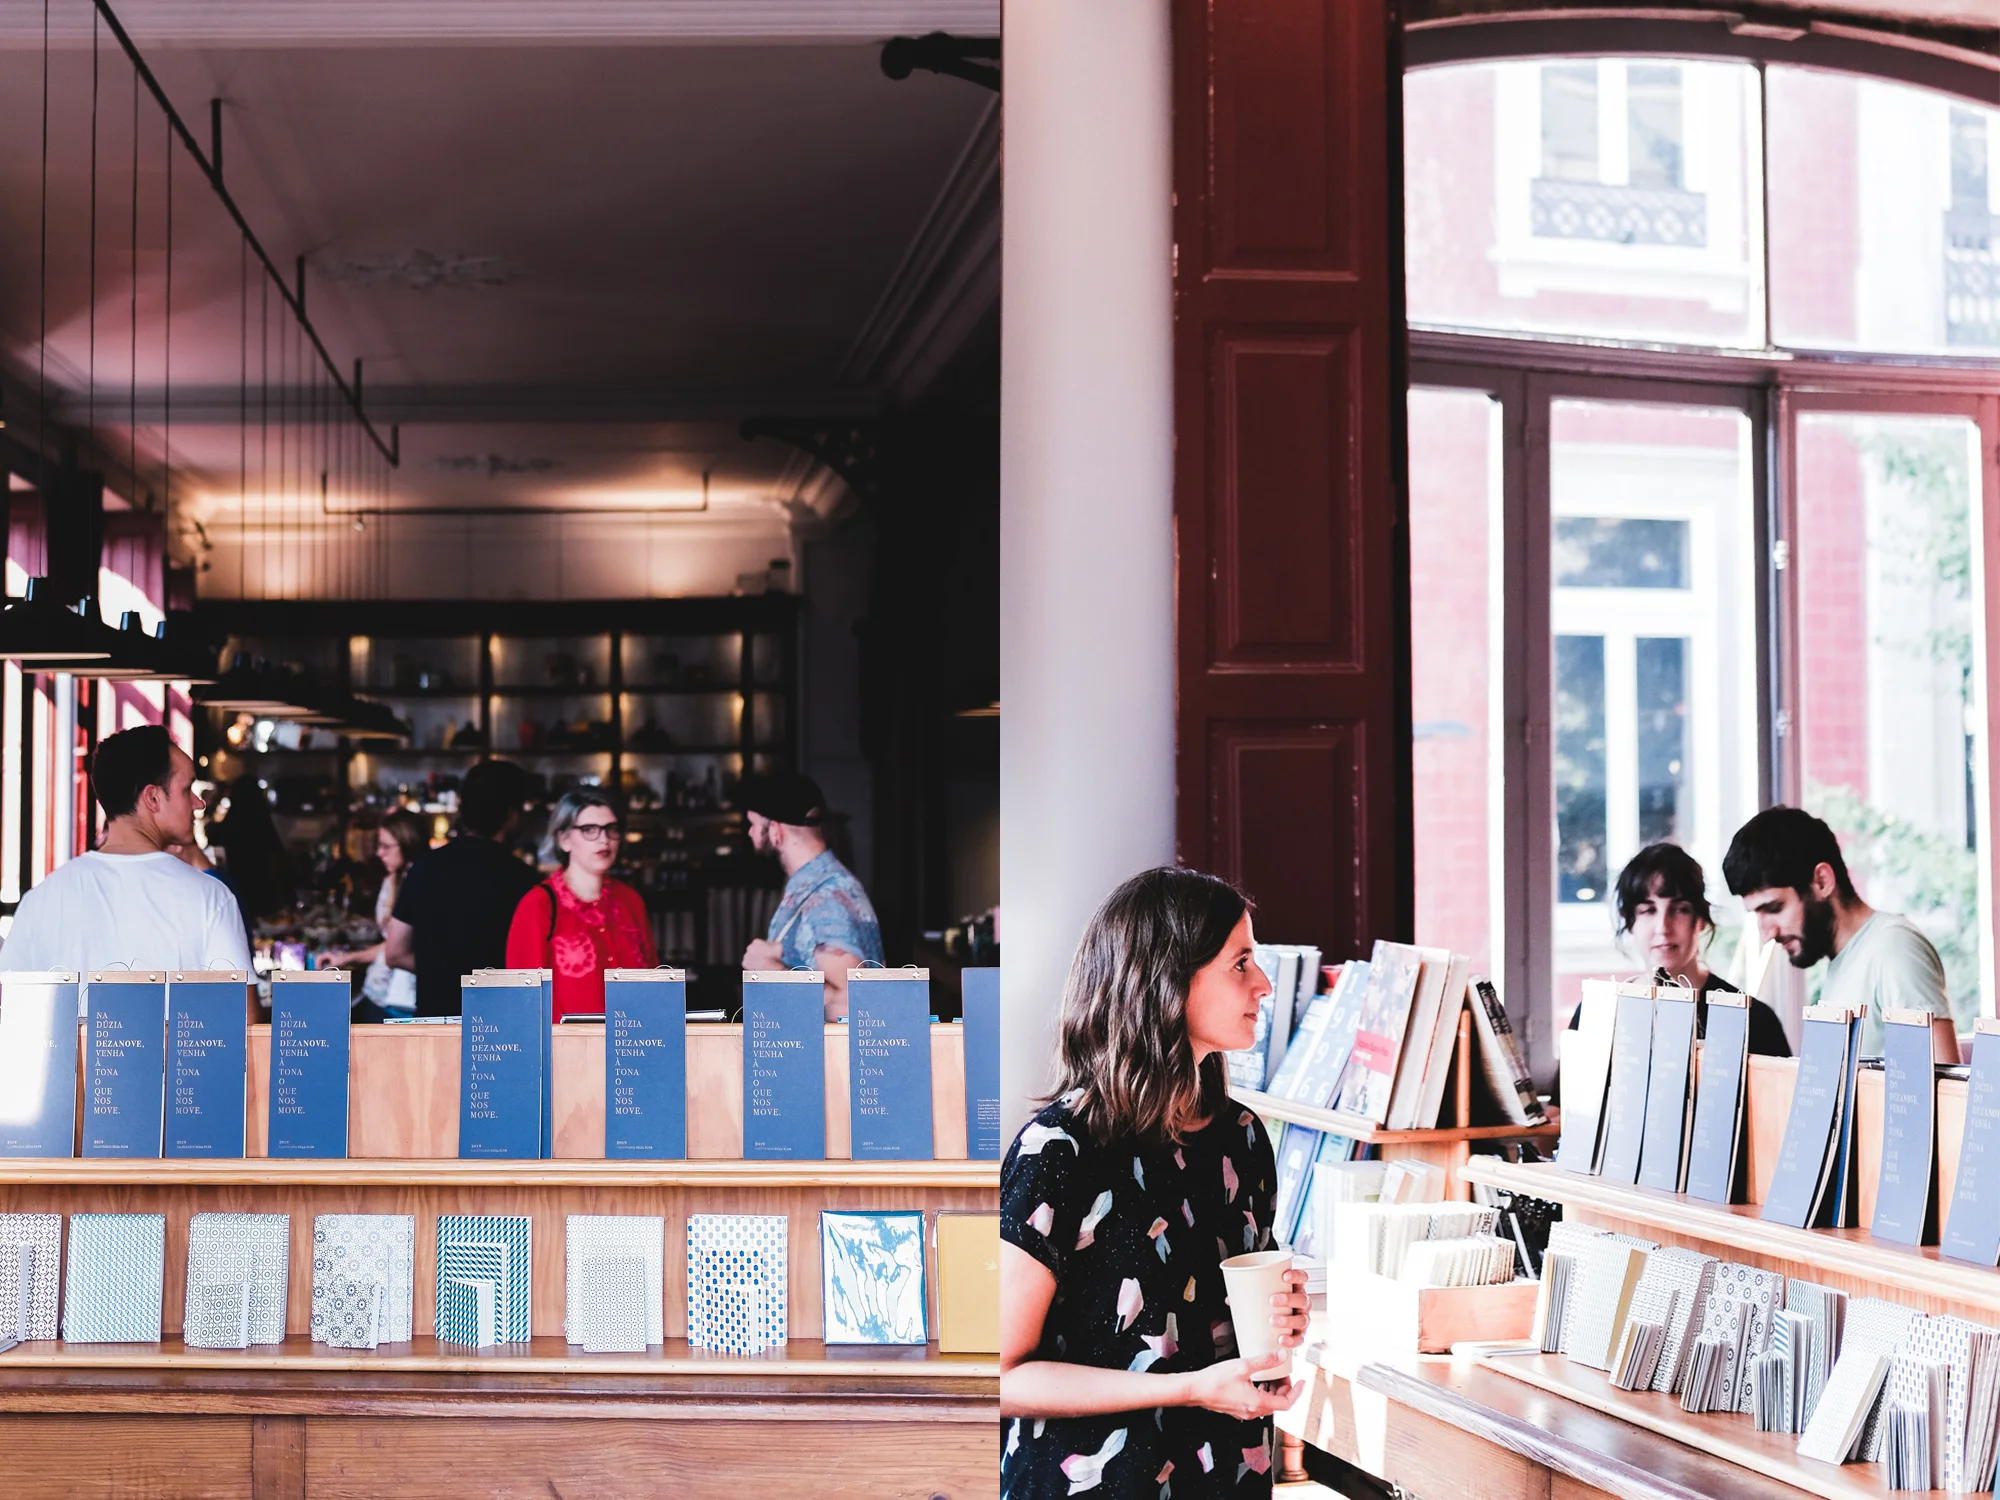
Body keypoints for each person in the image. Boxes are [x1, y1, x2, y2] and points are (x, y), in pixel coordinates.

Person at [1000, 867, 1309, 1500]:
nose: (1265, 984)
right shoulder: (1060, 1152)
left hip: (1226, 1478)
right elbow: (1002, 1377)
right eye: (1241, 963)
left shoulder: (1243, 1138)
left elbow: (1225, 1319)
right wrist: (1190, 1387)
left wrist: (1283, 1324)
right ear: (1169, 980)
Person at [0, 724, 253, 977]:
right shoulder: (210, 898)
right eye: (187, 790)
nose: (198, 804)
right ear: (153, 798)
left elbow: (12, 1005)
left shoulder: (40, 901)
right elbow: (245, 1013)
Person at [1723, 805, 1951, 1055]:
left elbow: (1939, 1088)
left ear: (1822, 881)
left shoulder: (1895, 951)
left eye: (1775, 908)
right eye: (1757, 914)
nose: (1768, 933)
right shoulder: (1843, 962)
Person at [1566, 842, 1790, 1057]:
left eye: (1680, 910)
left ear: (1701, 919)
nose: (1663, 927)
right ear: (1630, 921)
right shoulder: (1596, 1016)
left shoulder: (1752, 1020)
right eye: (1648, 910)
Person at [384, 760, 541, 1017]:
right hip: (497, 1023)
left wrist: (441, 972)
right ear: (512, 815)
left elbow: (395, 953)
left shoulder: (425, 867)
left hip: (434, 1022)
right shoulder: (524, 880)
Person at [739, 771, 882, 1021]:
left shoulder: (826, 899)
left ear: (775, 831)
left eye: (753, 824)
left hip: (832, 1060)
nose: (750, 833)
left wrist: (774, 971)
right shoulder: (816, 887)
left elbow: (857, 1006)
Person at [504, 788, 658, 1019]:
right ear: (564, 839)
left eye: (611, 829)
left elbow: (656, 986)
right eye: (589, 830)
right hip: (566, 1049)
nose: (604, 839)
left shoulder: (630, 901)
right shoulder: (538, 905)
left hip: (634, 1046)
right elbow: (522, 999)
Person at [317, 810, 428, 1022]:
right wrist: (346, 959)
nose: (379, 853)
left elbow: (396, 951)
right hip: (378, 995)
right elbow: (391, 944)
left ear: (408, 844)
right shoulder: (392, 882)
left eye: (386, 846)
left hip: (407, 1002)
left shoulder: (424, 884)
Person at [205, 774, 295, 938]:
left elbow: (212, 841)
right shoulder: (264, 824)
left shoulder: (226, 826)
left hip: (236, 892)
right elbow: (281, 858)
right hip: (265, 894)